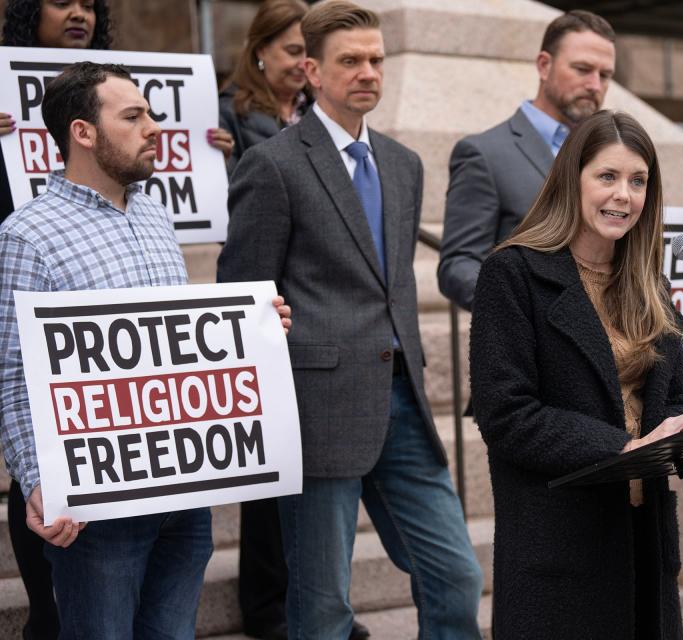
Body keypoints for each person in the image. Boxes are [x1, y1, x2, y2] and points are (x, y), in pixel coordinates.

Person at [217, 2, 484, 638]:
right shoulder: (274, 163)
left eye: (376, 60)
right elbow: (243, 291)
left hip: (404, 401)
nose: (368, 72)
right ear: (310, 70)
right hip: (317, 407)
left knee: (456, 575)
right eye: (350, 61)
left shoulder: (403, 163)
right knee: (322, 602)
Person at [0, 61, 291, 640]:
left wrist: (250, 332)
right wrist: (37, 480)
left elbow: (169, 343)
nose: (154, 127)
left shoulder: (158, 216)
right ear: (83, 133)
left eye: (152, 113)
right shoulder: (26, 234)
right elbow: (14, 376)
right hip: (98, 508)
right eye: (133, 116)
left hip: (184, 496)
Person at [469, 110, 683, 640]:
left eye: (638, 181)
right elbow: (507, 414)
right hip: (561, 543)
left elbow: (679, 392)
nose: (624, 195)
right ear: (571, 179)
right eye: (607, 177)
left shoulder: (650, 283)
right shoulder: (512, 274)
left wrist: (680, 432)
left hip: (645, 537)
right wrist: (620, 448)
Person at [219, 3, 367, 639]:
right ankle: (269, 604)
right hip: (267, 302)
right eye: (287, 51)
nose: (297, 64)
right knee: (268, 475)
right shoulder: (231, 117)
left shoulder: (320, 119)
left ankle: (314, 606)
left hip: (316, 316)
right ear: (260, 53)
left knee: (305, 487)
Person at [438, 10, 616, 311]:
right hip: (528, 349)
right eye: (583, 69)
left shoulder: (610, 154)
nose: (595, 85)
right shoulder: (485, 153)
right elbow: (458, 266)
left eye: (605, 75)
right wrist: (521, 310)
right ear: (544, 66)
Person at [0, 0, 235, 225]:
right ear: (31, 12)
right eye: (62, 4)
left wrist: (205, 158)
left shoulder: (120, 82)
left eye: (88, 6)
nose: (78, 14)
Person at [219, 0, 312, 175]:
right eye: (293, 51)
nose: (304, 63)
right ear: (261, 50)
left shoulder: (321, 108)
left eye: (310, 53)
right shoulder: (228, 114)